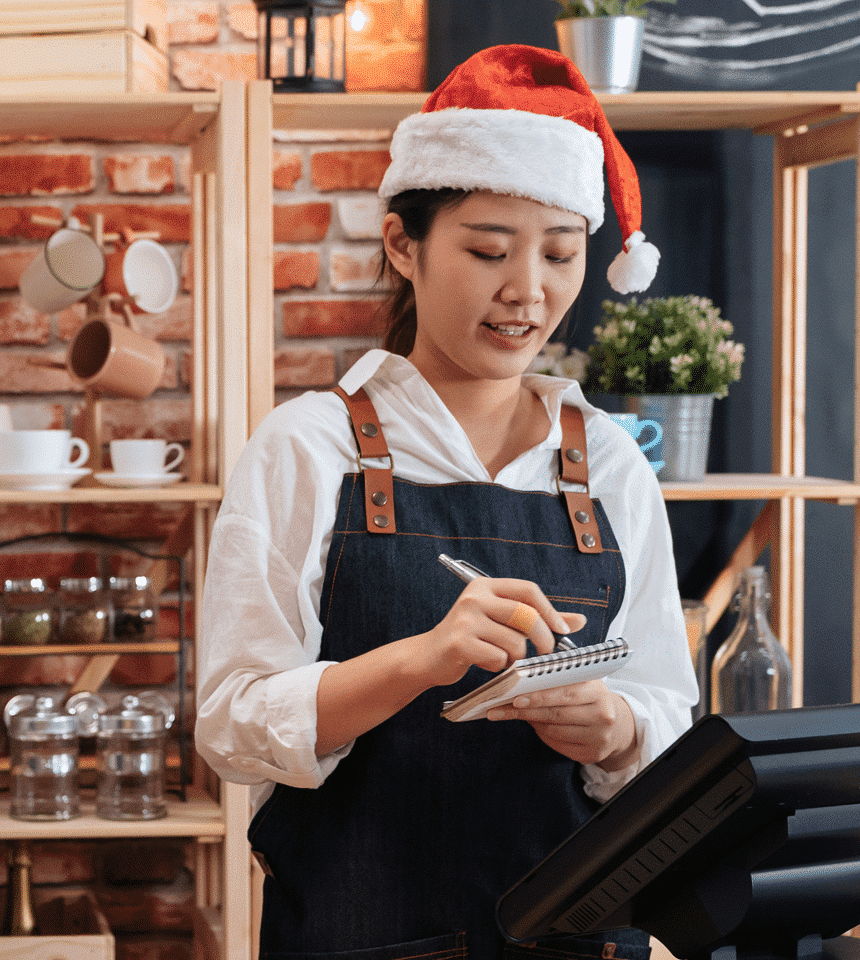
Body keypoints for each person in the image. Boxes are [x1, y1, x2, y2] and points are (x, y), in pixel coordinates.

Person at [194, 45, 696, 960]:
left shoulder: (610, 465)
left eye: (559, 254)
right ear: (402, 244)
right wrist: (418, 662)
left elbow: (667, 716)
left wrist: (614, 728)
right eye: (488, 250)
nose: (527, 292)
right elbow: (231, 724)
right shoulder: (310, 447)